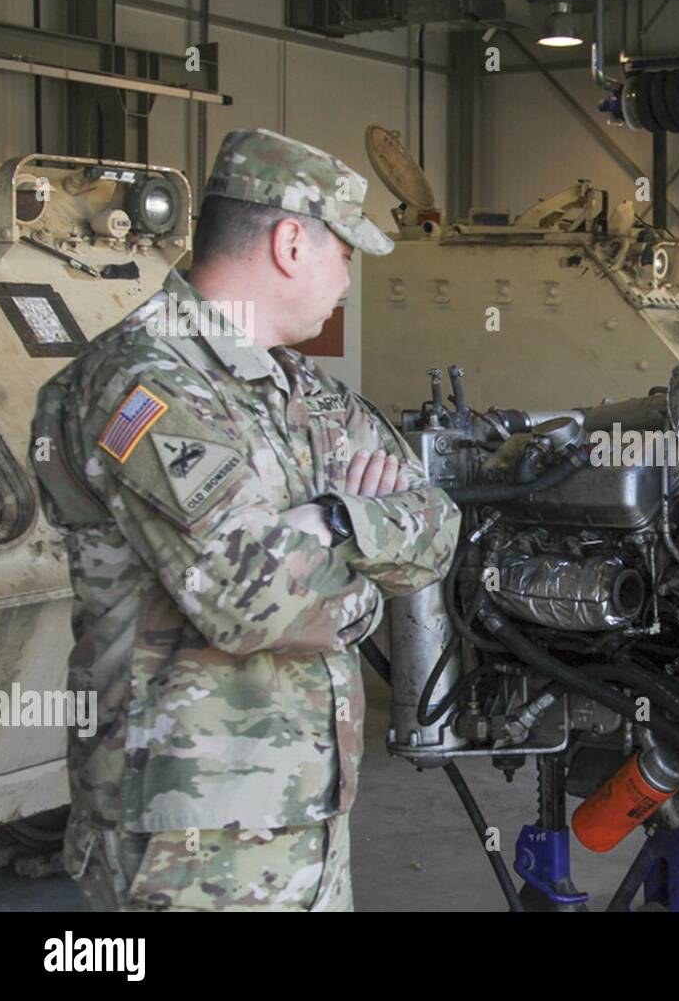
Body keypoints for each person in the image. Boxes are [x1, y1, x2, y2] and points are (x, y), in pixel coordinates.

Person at [30, 128, 460, 911]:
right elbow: (251, 602)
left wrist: (328, 520)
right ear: (292, 242)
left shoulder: (305, 389)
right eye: (345, 254)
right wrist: (368, 581)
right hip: (181, 850)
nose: (346, 281)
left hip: (309, 825)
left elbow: (436, 524)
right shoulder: (140, 383)